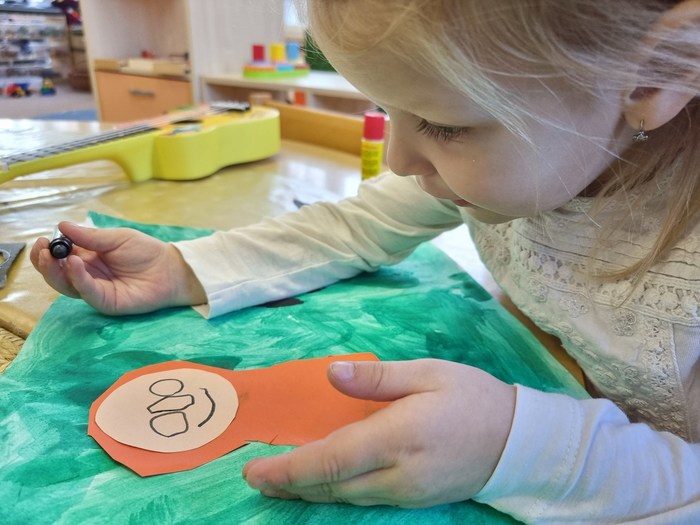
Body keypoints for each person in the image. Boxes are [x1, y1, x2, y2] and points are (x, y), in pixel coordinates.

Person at [30, 0, 700, 521]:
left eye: (444, 125)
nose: (400, 160)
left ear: (655, 74)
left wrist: (515, 448)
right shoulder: (503, 162)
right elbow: (356, 224)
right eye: (385, 111)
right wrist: (187, 269)